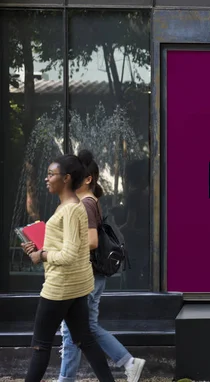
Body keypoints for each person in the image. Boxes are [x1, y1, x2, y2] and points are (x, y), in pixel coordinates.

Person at [21, 154, 114, 382]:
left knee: (40, 347)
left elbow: (70, 254)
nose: (46, 178)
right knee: (85, 340)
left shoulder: (72, 209)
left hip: (60, 288)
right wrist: (39, 246)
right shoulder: (69, 206)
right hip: (75, 286)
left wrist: (41, 255)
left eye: (51, 174)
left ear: (67, 178)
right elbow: (69, 245)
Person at [57, 150, 146, 382]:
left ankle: (65, 379)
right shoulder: (91, 201)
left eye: (74, 176)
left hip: (86, 276)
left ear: (87, 179)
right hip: (94, 276)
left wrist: (62, 247)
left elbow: (93, 241)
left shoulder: (85, 204)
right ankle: (129, 362)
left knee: (71, 331)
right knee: (88, 327)